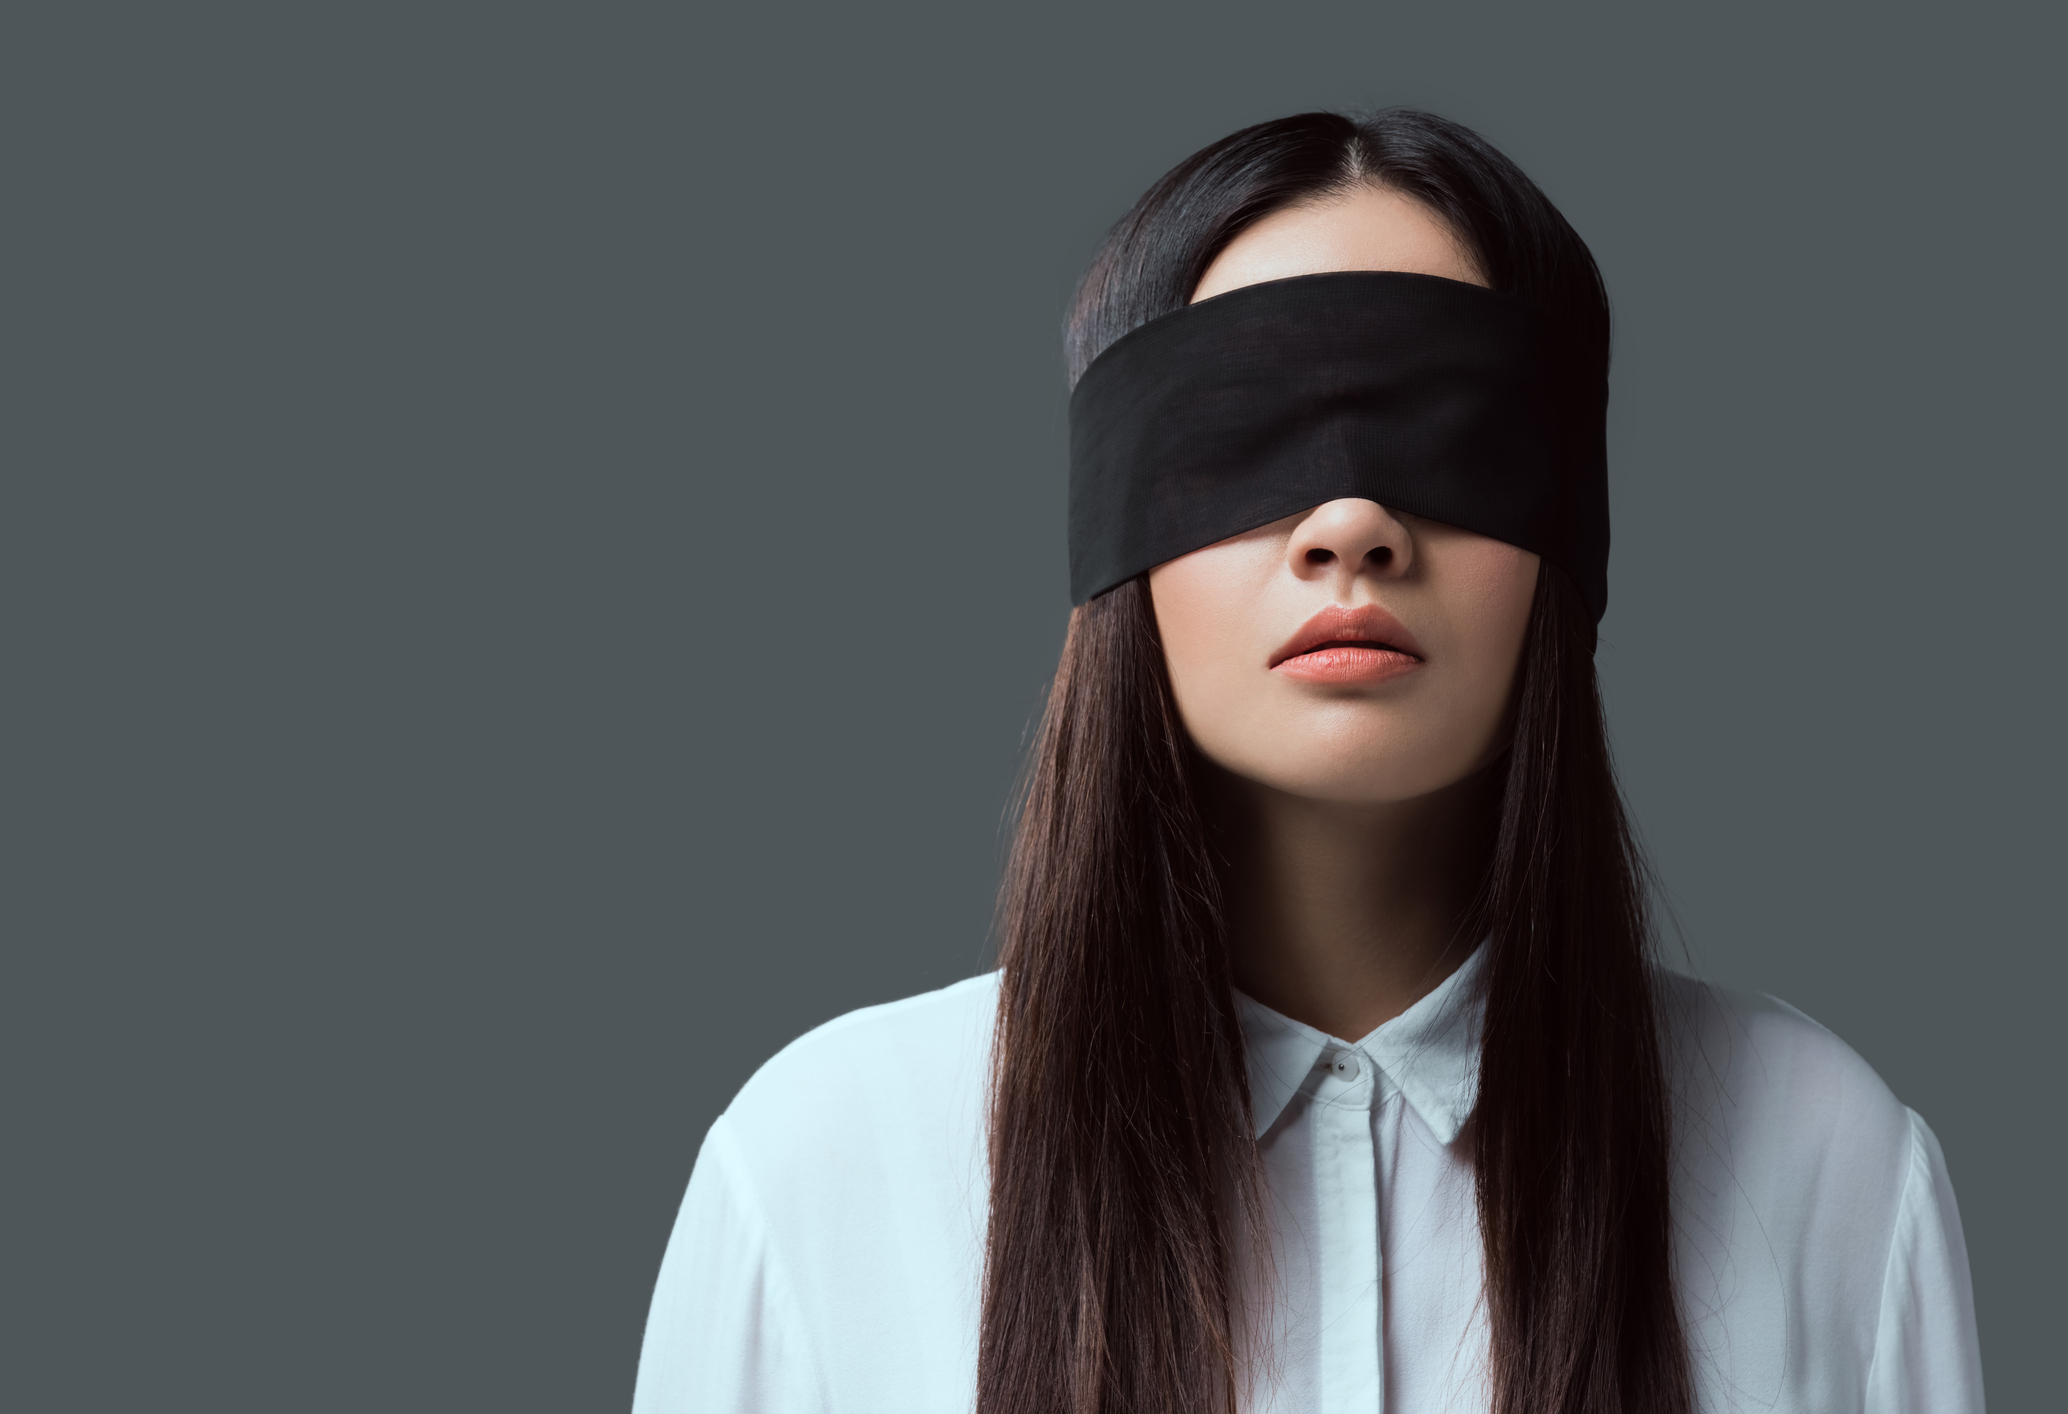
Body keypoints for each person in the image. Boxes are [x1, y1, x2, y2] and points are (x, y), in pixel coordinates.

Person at [631, 109, 1983, 1414]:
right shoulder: (822, 1173)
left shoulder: (1828, 1165)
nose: (1351, 520)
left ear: (1569, 531)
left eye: (1447, 425)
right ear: (1117, 536)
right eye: (1242, 428)